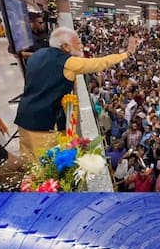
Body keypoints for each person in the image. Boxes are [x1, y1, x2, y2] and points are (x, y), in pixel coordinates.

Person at [14, 27, 136, 162]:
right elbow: (100, 63)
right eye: (78, 43)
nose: (81, 46)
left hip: (24, 115)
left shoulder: (37, 54)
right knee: (42, 166)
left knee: (27, 161)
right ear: (66, 46)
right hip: (43, 123)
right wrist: (126, 54)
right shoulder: (68, 62)